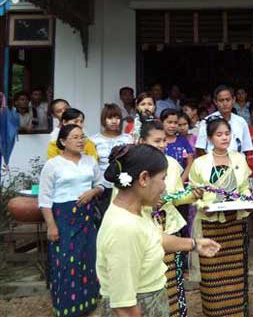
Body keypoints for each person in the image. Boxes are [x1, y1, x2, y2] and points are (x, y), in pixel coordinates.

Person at [97, 144, 220, 317]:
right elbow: (123, 306)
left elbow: (153, 238)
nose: (164, 187)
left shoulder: (138, 212)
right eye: (163, 178)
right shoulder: (123, 228)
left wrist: (194, 244)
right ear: (144, 178)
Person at [38, 124, 105, 317]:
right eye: (75, 137)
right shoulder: (53, 165)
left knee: (88, 258)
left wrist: (92, 192)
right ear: (63, 141)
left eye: (82, 136)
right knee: (66, 262)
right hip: (63, 217)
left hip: (86, 216)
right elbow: (44, 198)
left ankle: (87, 303)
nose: (80, 140)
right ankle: (66, 307)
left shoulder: (90, 161)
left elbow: (100, 184)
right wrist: (51, 225)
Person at [190, 117, 253, 317]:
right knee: (212, 273)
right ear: (210, 138)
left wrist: (248, 200)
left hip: (235, 223)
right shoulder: (200, 163)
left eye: (227, 134)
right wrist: (203, 205)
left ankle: (236, 312)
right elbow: (194, 193)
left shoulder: (239, 159)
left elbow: (244, 188)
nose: (224, 138)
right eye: (219, 135)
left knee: (235, 272)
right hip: (211, 224)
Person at [139, 121, 201, 317]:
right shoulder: (134, 166)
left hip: (169, 226)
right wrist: (148, 203)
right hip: (144, 228)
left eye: (164, 140)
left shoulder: (171, 164)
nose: (162, 144)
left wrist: (192, 195)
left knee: (173, 278)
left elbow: (176, 197)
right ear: (142, 141)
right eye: (156, 140)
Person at [90, 104, 133, 215]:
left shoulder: (128, 138)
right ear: (103, 120)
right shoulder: (93, 140)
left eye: (117, 118)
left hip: (124, 186)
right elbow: (92, 165)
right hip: (102, 187)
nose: (114, 121)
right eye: (110, 118)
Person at [195, 85, 253, 155]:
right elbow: (200, 148)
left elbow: (246, 148)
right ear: (215, 102)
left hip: (237, 163)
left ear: (233, 100)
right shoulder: (207, 122)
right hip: (214, 163)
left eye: (227, 100)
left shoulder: (241, 121)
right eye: (221, 100)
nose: (225, 103)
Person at [160, 109, 194, 183]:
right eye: (169, 122)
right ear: (161, 122)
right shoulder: (158, 141)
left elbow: (190, 163)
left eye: (175, 123)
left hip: (181, 183)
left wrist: (180, 181)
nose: (172, 126)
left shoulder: (182, 140)